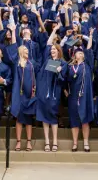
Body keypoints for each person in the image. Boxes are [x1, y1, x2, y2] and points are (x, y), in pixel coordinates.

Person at [3, 23, 38, 152]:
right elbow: (13, 47)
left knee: (28, 119)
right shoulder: (17, 62)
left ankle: (28, 142)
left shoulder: (32, 64)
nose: (27, 52)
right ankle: (18, 142)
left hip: (30, 95)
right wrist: (13, 32)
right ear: (20, 52)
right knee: (19, 118)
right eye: (25, 51)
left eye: (28, 51)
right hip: (19, 94)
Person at [36, 23, 68, 152]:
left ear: (59, 51)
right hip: (43, 92)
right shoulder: (47, 60)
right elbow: (49, 43)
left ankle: (54, 141)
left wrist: (59, 71)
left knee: (53, 116)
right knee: (44, 116)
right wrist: (54, 30)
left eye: (55, 49)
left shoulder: (63, 63)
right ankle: (47, 142)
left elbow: (62, 80)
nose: (52, 50)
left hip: (54, 93)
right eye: (52, 50)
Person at [66, 29, 94, 152]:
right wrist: (74, 37)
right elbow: (66, 80)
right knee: (74, 119)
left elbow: (88, 50)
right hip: (73, 95)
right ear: (74, 55)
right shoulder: (70, 67)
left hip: (85, 96)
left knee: (85, 119)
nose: (81, 54)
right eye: (78, 53)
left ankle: (86, 142)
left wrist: (90, 36)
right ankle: (75, 143)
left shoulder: (88, 65)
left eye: (82, 53)